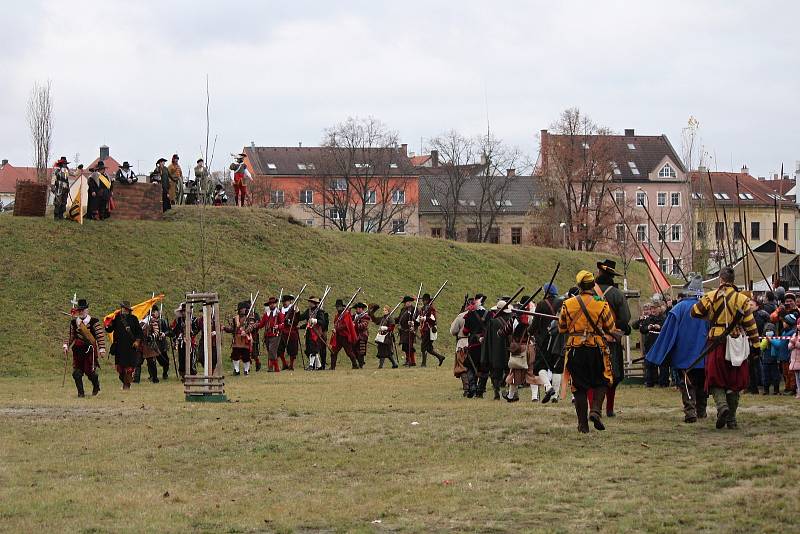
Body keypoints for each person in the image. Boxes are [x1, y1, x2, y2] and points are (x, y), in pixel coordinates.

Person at [690, 266, 759, 429]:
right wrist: (756, 345)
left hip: (716, 341)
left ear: (721, 279)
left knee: (715, 378)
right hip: (736, 342)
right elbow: (750, 324)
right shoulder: (742, 299)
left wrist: (709, 316)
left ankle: (722, 407)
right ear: (733, 280)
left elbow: (694, 312)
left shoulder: (711, 296)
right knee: (734, 381)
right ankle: (732, 419)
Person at [645, 275, 710, 423]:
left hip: (684, 353)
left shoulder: (679, 308)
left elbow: (668, 332)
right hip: (704, 353)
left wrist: (658, 352)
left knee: (687, 383)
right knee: (701, 383)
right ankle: (701, 411)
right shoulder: (707, 307)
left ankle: (690, 412)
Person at [558, 270, 616, 433]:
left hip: (576, 349)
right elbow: (610, 327)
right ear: (592, 285)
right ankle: (596, 410)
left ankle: (583, 424)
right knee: (603, 380)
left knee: (579, 387)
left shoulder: (568, 304)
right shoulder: (601, 303)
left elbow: (562, 328)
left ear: (579, 286)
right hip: (596, 348)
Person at [593, 259, 631, 417]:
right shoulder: (617, 294)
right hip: (610, 340)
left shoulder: (589, 293)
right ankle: (609, 409)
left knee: (592, 376)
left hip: (592, 340)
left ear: (600, 273)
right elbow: (625, 318)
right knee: (612, 377)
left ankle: (593, 408)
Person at [529, 283, 563, 403]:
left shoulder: (541, 304)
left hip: (544, 340)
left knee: (540, 366)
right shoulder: (561, 303)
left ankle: (548, 387)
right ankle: (555, 396)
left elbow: (535, 324)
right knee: (556, 368)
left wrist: (530, 331)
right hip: (558, 338)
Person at [64, 299, 105, 397]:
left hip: (90, 350)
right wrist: (66, 345)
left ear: (87, 310)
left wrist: (102, 349)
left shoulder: (94, 321)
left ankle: (96, 386)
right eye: (80, 310)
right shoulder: (74, 323)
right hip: (78, 351)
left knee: (90, 372)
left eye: (83, 309)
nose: (81, 312)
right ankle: (81, 393)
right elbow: (70, 336)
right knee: (76, 373)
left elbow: (99, 336)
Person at [105, 301, 144, 390]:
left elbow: (139, 332)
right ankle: (126, 383)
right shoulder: (116, 318)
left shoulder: (134, 319)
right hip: (119, 347)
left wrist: (137, 341)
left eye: (125, 308)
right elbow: (109, 330)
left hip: (130, 347)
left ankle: (126, 386)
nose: (123, 310)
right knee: (121, 370)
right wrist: (108, 324)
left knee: (129, 369)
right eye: (122, 308)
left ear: (128, 310)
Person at [481, 299, 514, 400]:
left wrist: (486, 353)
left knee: (495, 373)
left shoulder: (493, 322)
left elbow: (488, 340)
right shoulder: (512, 319)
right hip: (511, 350)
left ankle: (497, 392)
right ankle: (510, 392)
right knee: (510, 371)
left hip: (496, 352)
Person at [297, 296, 330, 370]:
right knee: (309, 350)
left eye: (311, 302)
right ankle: (319, 366)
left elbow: (322, 322)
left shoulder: (320, 311)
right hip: (309, 332)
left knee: (313, 349)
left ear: (314, 303)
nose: (309, 303)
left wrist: (315, 320)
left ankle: (311, 366)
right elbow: (300, 318)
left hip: (317, 333)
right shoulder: (308, 311)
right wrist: (297, 311)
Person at [169, 302, 200, 379]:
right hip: (181, 342)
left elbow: (196, 329)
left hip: (190, 342)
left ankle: (192, 374)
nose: (183, 313)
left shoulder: (193, 319)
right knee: (181, 358)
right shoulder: (179, 320)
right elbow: (175, 330)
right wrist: (174, 336)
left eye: (185, 311)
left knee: (191, 358)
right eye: (182, 311)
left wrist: (190, 333)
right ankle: (183, 374)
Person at [223, 301, 254, 376]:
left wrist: (245, 332)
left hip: (245, 339)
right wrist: (225, 328)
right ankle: (236, 370)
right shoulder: (235, 318)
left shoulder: (250, 317)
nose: (243, 310)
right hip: (237, 339)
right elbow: (233, 329)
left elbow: (251, 327)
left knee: (246, 356)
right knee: (235, 355)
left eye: (244, 308)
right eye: (242, 308)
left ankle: (246, 371)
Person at [415, 293, 445, 367]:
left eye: (425, 300)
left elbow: (433, 319)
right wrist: (416, 320)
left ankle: (423, 363)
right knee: (428, 348)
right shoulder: (423, 308)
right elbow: (419, 318)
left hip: (428, 330)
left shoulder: (431, 308)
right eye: (423, 300)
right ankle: (440, 357)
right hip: (423, 330)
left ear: (427, 300)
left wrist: (425, 318)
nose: (423, 301)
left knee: (423, 346)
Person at [328, 298, 359, 369]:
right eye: (337, 306)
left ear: (342, 307)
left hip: (345, 336)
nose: (337, 308)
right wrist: (335, 329)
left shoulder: (346, 314)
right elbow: (336, 324)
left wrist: (337, 328)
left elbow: (346, 325)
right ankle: (332, 367)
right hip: (338, 336)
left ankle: (355, 365)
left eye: (339, 306)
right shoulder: (337, 315)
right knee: (333, 351)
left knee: (349, 352)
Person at [254, 297, 282, 372]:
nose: (272, 305)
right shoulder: (266, 314)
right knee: (271, 352)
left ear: (275, 304)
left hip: (275, 334)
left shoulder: (279, 313)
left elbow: (283, 324)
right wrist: (256, 325)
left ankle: (276, 368)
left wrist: (278, 326)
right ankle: (270, 368)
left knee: (272, 351)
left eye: (273, 303)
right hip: (267, 335)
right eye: (270, 304)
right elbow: (262, 324)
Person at [138, 307, 166, 383]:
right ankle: (136, 379)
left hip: (149, 345)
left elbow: (156, 331)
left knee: (152, 363)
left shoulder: (152, 320)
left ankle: (155, 378)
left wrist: (152, 336)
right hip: (141, 344)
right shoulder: (139, 320)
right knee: (138, 362)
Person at [369, 304, 399, 369]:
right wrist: (371, 312)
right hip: (382, 337)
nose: (384, 311)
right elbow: (375, 320)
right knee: (383, 351)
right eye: (384, 310)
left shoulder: (390, 318)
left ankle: (386, 365)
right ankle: (394, 364)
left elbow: (392, 327)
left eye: (385, 310)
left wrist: (385, 328)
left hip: (387, 337)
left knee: (386, 351)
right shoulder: (383, 318)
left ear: (388, 311)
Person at [277, 294, 301, 370]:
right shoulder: (280, 310)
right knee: (279, 349)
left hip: (292, 331)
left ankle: (291, 365)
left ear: (289, 301)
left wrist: (296, 313)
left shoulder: (294, 309)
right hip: (282, 331)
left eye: (286, 301)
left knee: (292, 349)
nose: (284, 303)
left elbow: (297, 320)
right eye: (283, 301)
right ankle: (284, 363)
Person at [760, 324, 781, 395]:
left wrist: (771, 340)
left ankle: (776, 390)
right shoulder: (764, 339)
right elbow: (762, 347)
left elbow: (778, 345)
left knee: (775, 376)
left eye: (770, 331)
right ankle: (766, 390)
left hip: (774, 360)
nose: (769, 332)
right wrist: (766, 340)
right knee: (766, 376)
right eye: (767, 331)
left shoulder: (776, 338)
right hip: (765, 360)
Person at [397, 296, 418, 366]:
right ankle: (408, 360)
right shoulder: (403, 309)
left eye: (409, 302)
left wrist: (413, 324)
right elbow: (399, 318)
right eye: (407, 302)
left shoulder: (414, 309)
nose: (408, 303)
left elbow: (417, 320)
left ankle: (413, 361)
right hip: (403, 331)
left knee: (410, 346)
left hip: (410, 330)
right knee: (405, 346)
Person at [352, 303, 371, 369]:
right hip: (354, 335)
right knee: (354, 351)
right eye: (357, 308)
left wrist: (355, 325)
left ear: (362, 309)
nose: (358, 309)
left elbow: (364, 325)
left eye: (359, 308)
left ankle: (361, 365)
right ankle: (356, 364)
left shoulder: (366, 316)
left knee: (361, 352)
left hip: (362, 336)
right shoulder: (353, 316)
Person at [788, 318, 800, 399]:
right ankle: (798, 392)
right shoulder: (794, 335)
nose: (799, 325)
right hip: (795, 360)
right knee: (797, 378)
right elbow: (789, 346)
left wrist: (796, 343)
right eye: (798, 324)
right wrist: (793, 343)